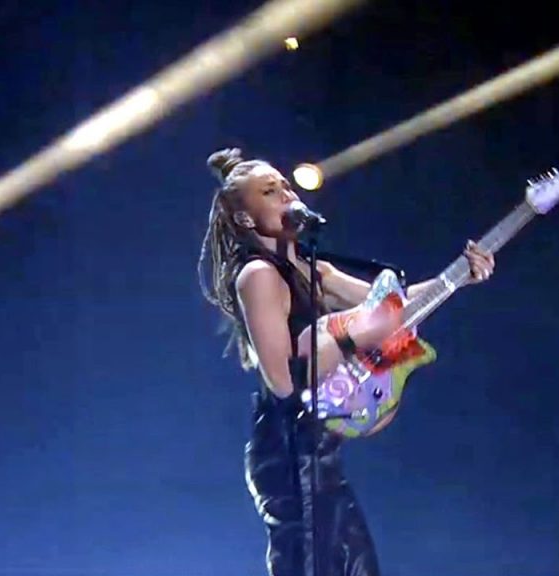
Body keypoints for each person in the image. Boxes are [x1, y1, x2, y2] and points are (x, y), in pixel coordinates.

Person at [197, 147, 495, 576]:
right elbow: (283, 380)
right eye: (269, 190)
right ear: (245, 219)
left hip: (321, 454)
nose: (285, 193)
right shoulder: (258, 274)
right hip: (289, 455)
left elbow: (397, 309)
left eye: (284, 184)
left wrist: (459, 276)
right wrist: (351, 331)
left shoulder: (311, 268)